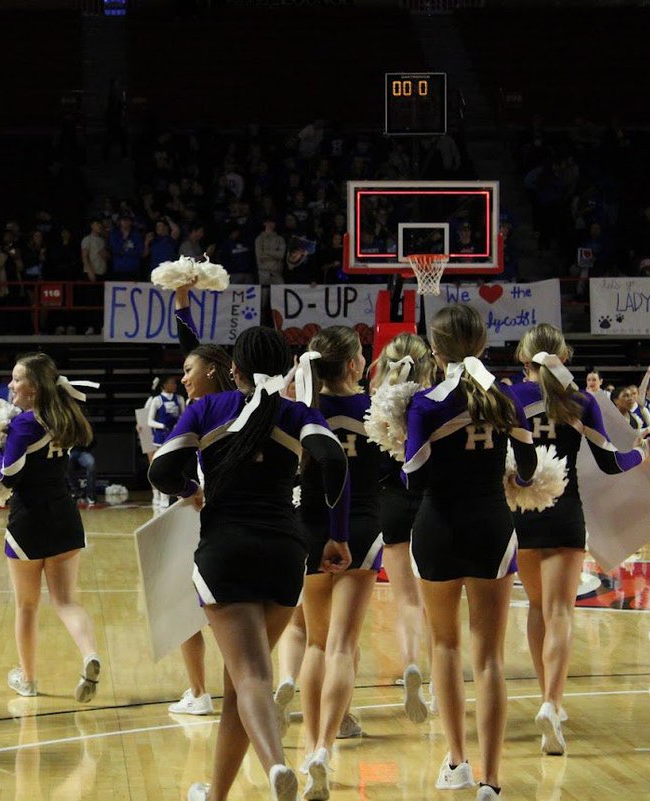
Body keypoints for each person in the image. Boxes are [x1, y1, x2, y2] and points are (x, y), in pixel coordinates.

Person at [148, 325, 349, 801]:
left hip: (225, 554)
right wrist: (334, 535)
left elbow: (160, 470)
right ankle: (216, 794)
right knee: (241, 685)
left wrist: (189, 491)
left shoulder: (206, 409)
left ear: (232, 370)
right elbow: (335, 460)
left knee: (251, 677)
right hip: (285, 553)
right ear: (285, 369)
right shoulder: (296, 412)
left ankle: (277, 765)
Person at [404, 304, 538, 801]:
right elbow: (526, 467)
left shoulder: (426, 403)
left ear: (435, 350)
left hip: (438, 528)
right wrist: (510, 479)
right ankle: (492, 780)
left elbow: (413, 477)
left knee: (445, 646)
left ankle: (457, 760)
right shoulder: (505, 398)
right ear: (483, 345)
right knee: (490, 659)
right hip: (492, 528)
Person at [507, 324, 650, 756]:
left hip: (522, 509)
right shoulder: (582, 401)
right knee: (560, 613)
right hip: (566, 513)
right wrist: (642, 454)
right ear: (564, 358)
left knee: (537, 609)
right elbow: (611, 462)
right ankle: (553, 703)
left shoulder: (511, 397)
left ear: (524, 359)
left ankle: (546, 699)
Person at [295, 326, 384, 799]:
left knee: (314, 644)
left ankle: (310, 746)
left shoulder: (304, 411)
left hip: (308, 527)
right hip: (363, 531)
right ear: (353, 365)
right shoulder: (377, 409)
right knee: (343, 647)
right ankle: (326, 748)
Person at [0, 353, 102, 702]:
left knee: (27, 606)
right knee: (67, 601)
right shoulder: (63, 418)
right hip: (65, 517)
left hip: (28, 523)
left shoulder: (25, 425)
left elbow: (7, 475)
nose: (11, 385)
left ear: (35, 389)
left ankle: (28, 680)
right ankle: (90, 654)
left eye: (17, 379)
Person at [166, 283, 235, 718]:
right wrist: (182, 303)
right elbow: (195, 349)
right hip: (241, 513)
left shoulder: (208, 409)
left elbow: (197, 351)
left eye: (190, 370)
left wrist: (188, 490)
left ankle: (200, 692)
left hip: (208, 513)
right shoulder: (246, 403)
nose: (184, 376)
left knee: (185, 604)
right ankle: (254, 686)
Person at [370, 333, 437, 724]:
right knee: (437, 604)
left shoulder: (375, 406)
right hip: (431, 503)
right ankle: (437, 687)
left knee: (407, 601)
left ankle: (411, 664)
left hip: (390, 504)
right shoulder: (435, 402)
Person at [144, 375, 186, 508]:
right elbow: (146, 420)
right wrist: (162, 426)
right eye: (171, 383)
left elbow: (184, 417)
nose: (175, 385)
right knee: (157, 465)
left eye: (175, 383)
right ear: (163, 385)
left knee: (175, 466)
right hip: (158, 438)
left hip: (175, 437)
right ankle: (159, 495)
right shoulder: (155, 400)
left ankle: (174, 494)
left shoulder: (179, 399)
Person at [67, 440, 99, 505]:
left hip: (83, 451)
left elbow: (93, 441)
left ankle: (90, 494)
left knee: (91, 464)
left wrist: (85, 444)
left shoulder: (86, 429)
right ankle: (76, 491)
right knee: (67, 463)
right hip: (69, 451)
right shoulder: (67, 429)